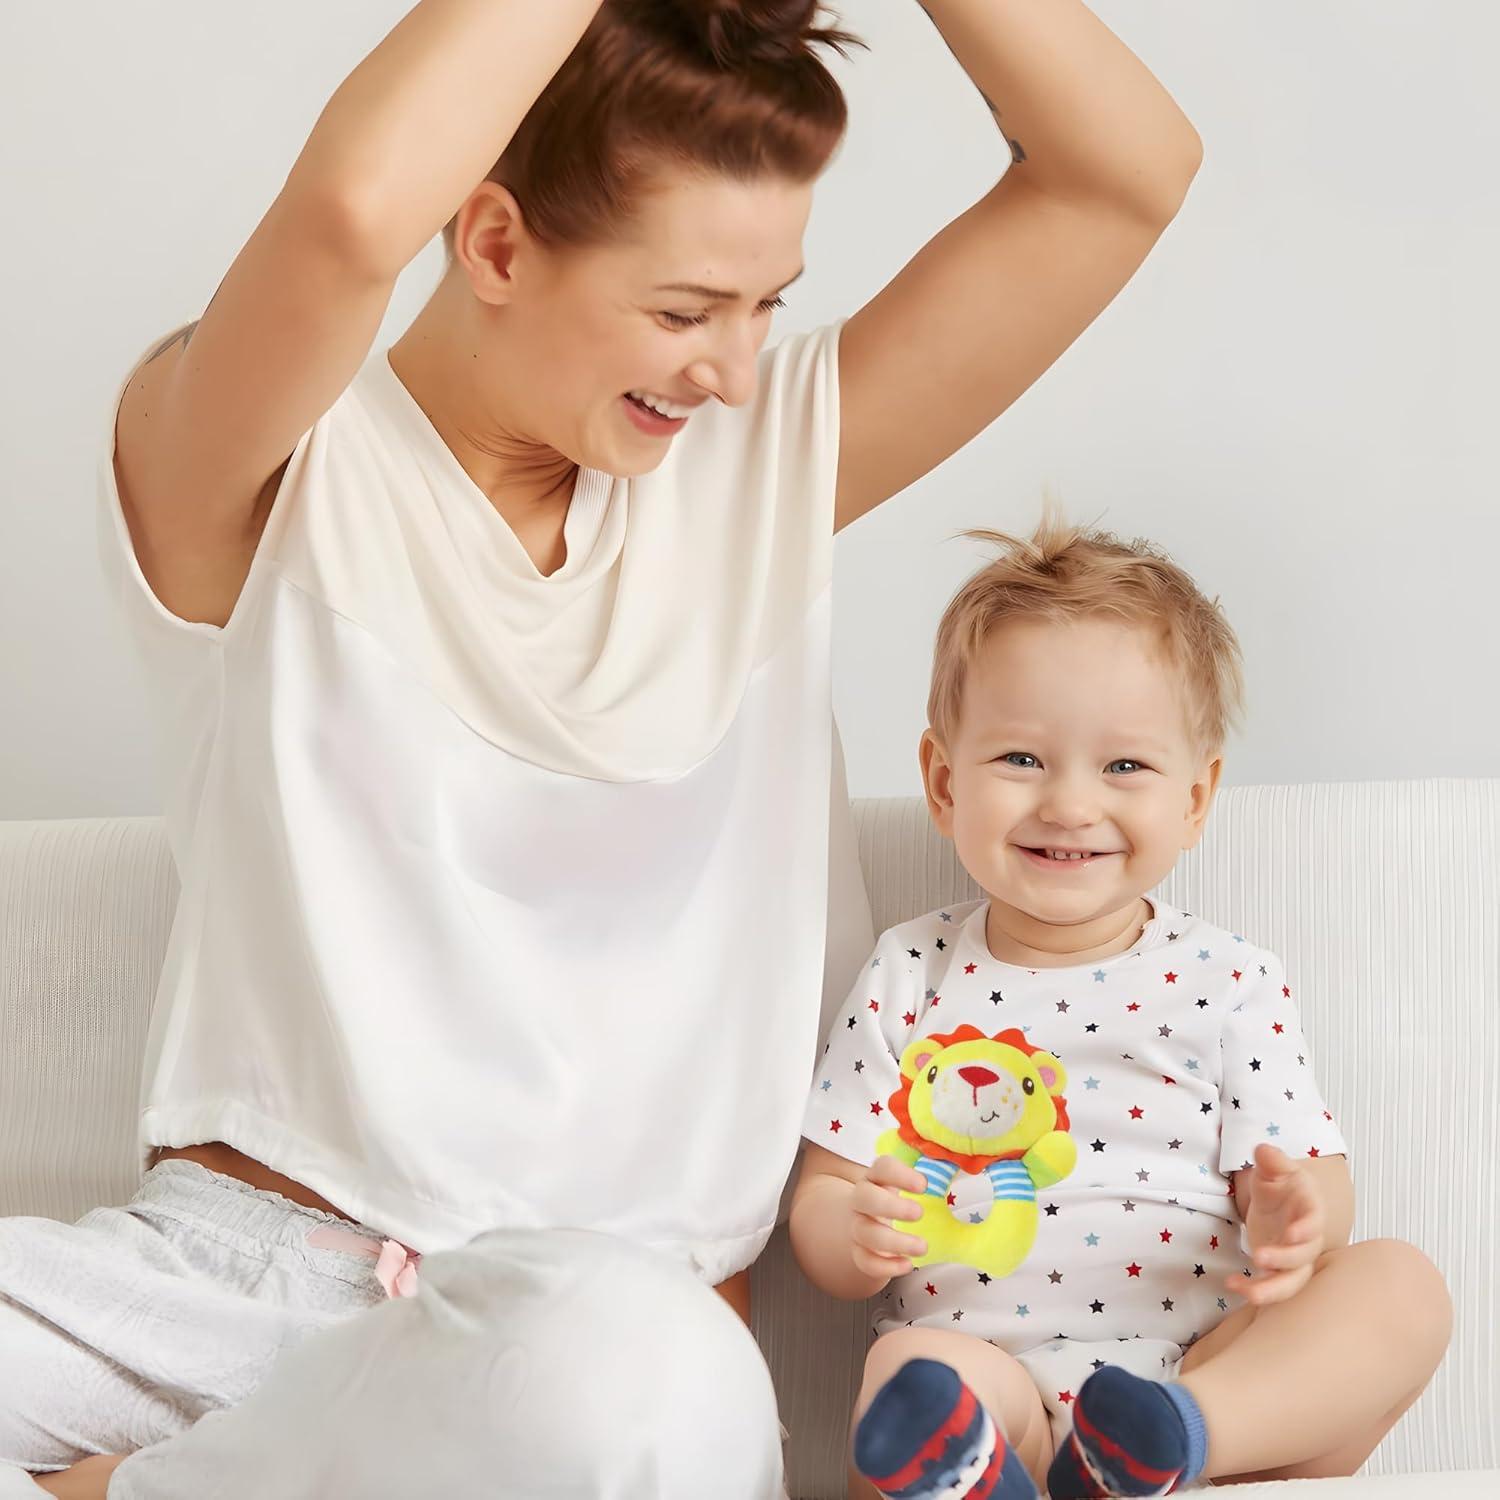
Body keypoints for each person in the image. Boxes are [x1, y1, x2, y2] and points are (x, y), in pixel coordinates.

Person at [0, 3, 1206, 1496]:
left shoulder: (758, 474)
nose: (735, 370)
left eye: (769, 307)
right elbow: (351, 213)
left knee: (628, 1385)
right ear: (494, 244)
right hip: (215, 1289)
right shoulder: (262, 471)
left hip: (584, 1360)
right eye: (687, 309)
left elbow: (1123, 173)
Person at [789, 514, 1454, 1499]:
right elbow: (826, 1191)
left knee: (1403, 1288)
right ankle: (976, 1465)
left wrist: (1295, 1219)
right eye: (1020, 759)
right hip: (987, 1377)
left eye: (1125, 766)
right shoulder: (910, 971)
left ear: (1196, 798)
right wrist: (852, 1232)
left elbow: (1318, 1185)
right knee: (905, 1379)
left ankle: (1164, 1443)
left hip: (1207, 1369)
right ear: (942, 781)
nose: (1068, 803)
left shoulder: (1230, 979)